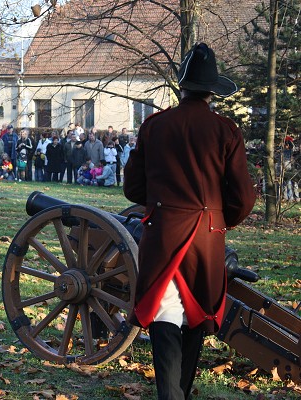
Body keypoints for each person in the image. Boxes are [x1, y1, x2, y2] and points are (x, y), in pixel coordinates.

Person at [123, 43, 256, 400]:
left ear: (181, 87)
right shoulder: (226, 131)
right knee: (197, 312)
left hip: (164, 231)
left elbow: (133, 188)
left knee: (166, 310)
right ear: (212, 92)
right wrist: (217, 218)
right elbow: (243, 197)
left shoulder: (154, 126)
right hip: (207, 237)